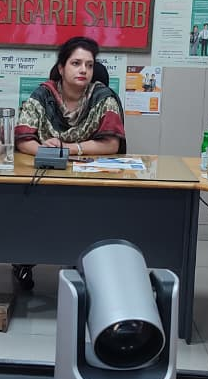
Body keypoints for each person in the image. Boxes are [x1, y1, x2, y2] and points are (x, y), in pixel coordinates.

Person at [13, 37, 125, 290]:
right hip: (47, 177)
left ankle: (87, 258)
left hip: (92, 179)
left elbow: (111, 145)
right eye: (76, 63)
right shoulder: (42, 95)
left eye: (89, 65)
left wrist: (69, 149)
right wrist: (47, 150)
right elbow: (23, 139)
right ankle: (24, 257)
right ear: (61, 68)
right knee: (33, 209)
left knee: (86, 216)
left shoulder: (103, 97)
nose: (83, 69)